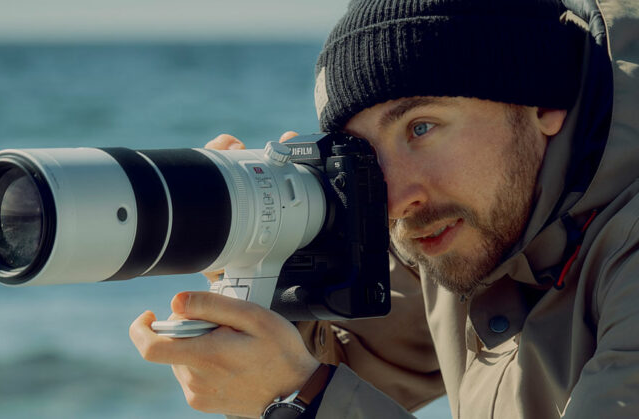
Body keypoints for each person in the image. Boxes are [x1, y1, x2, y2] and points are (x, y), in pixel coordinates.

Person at [129, 0, 639, 417]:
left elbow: (317, 390)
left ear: (543, 103)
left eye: (421, 128)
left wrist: (303, 401)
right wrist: (273, 268)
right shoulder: (460, 224)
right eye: (365, 154)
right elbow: (340, 367)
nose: (394, 202)